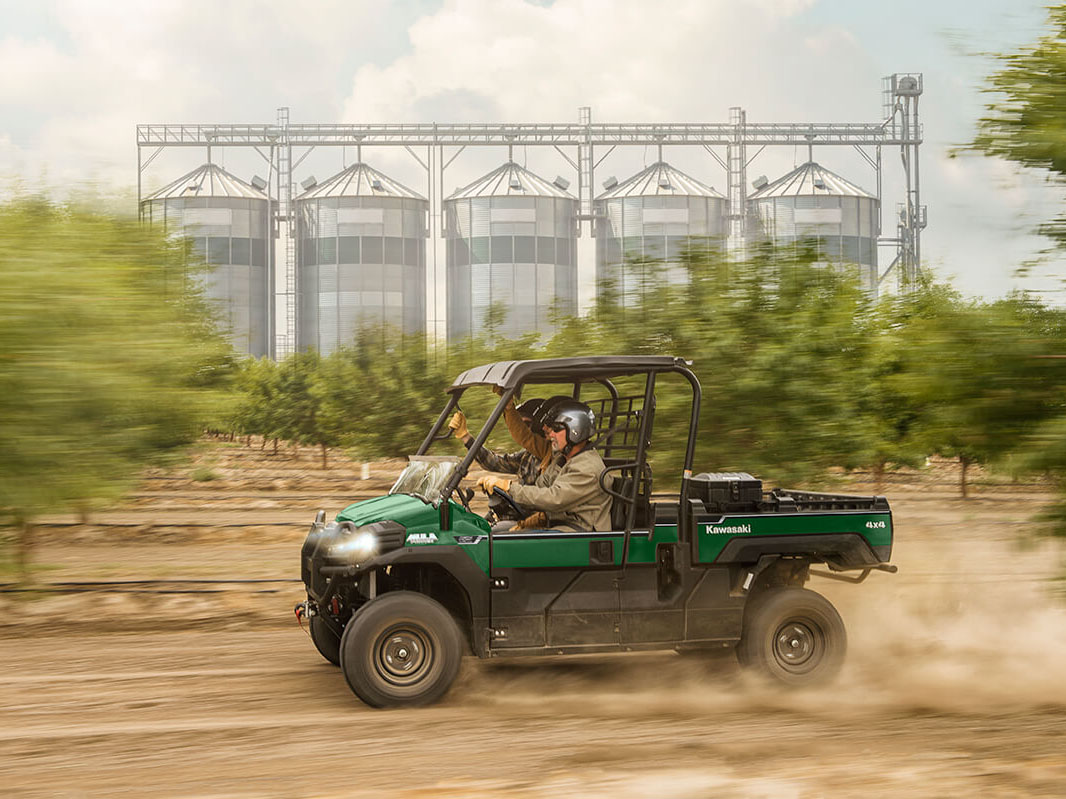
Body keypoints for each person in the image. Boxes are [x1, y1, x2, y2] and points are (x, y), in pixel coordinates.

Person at [476, 400, 612, 532]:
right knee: (499, 534)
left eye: (557, 429)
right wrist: (506, 492)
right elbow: (540, 487)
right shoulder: (562, 460)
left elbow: (554, 498)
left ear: (576, 430)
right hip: (560, 525)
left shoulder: (587, 467)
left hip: (579, 532)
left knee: (506, 544)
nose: (551, 434)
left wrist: (509, 488)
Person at [448, 398, 545, 486]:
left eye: (526, 424)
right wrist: (465, 437)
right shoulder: (527, 456)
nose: (520, 430)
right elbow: (495, 463)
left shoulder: (552, 459)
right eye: (520, 425)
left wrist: (509, 488)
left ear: (539, 427)